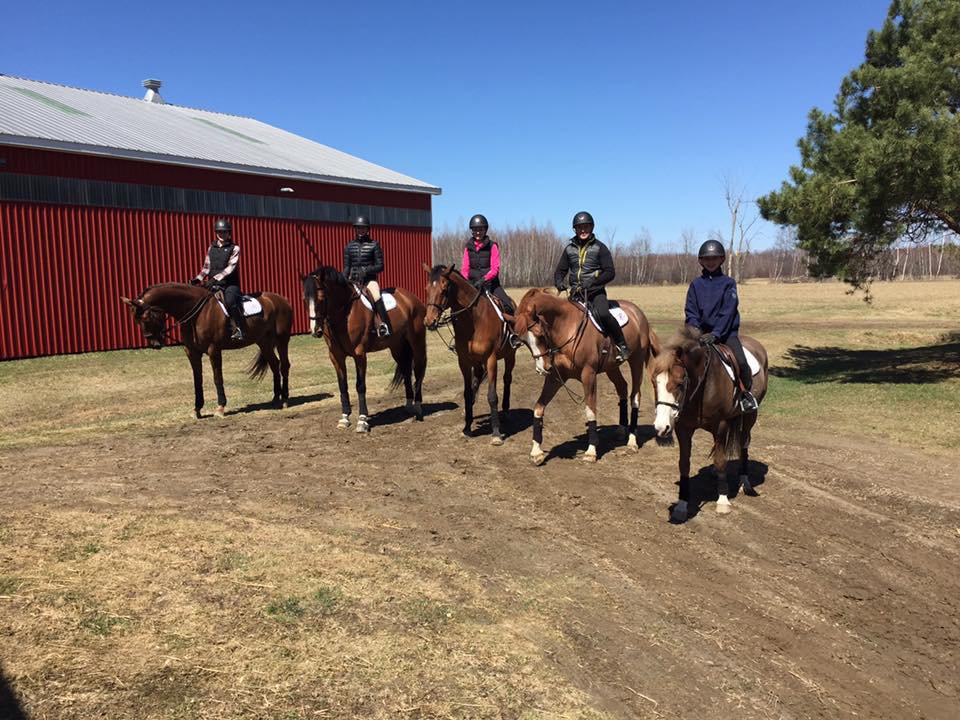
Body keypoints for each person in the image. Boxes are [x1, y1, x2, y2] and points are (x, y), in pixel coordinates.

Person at [685, 239, 758, 412]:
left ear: (721, 260)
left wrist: (716, 334)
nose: (711, 262)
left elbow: (728, 312)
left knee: (741, 362)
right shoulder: (695, 284)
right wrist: (695, 330)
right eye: (707, 259)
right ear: (701, 261)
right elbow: (691, 311)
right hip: (700, 335)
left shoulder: (728, 283)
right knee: (681, 360)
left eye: (714, 259)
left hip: (725, 334)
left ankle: (745, 395)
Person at [553, 211, 629, 363]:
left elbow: (610, 272)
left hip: (595, 293)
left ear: (592, 227)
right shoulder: (569, 249)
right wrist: (559, 282)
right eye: (580, 227)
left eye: (586, 227)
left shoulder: (600, 248)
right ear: (575, 229)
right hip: (575, 294)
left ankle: (621, 344)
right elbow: (560, 270)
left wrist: (593, 282)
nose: (583, 230)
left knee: (603, 314)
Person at [193, 217, 244, 340]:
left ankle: (238, 328)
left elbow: (230, 267)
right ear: (216, 233)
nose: (222, 234)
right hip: (213, 283)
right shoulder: (211, 248)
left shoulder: (234, 248)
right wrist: (198, 278)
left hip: (229, 284)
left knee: (230, 302)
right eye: (219, 232)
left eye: (224, 232)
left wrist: (215, 278)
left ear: (229, 233)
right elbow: (206, 267)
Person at [344, 215, 391, 337]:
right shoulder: (349, 247)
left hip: (369, 281)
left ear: (368, 229)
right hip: (353, 281)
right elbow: (347, 267)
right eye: (359, 228)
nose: (361, 230)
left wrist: (366, 270)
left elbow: (380, 266)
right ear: (355, 229)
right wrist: (344, 279)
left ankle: (384, 325)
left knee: (376, 297)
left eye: (363, 228)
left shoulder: (374, 245)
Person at [461, 214, 515, 314]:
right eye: (475, 230)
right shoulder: (467, 248)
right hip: (473, 285)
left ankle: (512, 329)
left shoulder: (492, 246)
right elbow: (465, 269)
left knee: (509, 306)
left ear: (485, 230)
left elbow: (495, 269)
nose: (478, 232)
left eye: (480, 229)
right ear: (472, 231)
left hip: (491, 285)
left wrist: (483, 280)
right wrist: (466, 282)